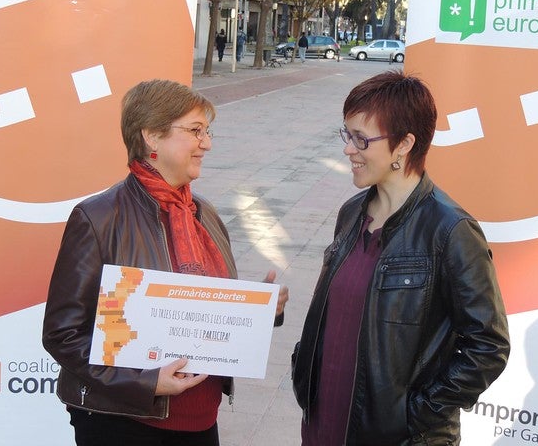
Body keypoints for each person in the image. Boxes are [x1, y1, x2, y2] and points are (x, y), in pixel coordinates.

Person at [42, 79, 288, 446]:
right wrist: (144, 382)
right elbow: (63, 334)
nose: (207, 143)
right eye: (195, 131)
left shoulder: (204, 214)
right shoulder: (98, 218)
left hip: (201, 420)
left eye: (207, 131)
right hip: (124, 424)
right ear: (152, 137)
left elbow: (203, 314)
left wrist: (259, 311)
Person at [291, 71, 510, 446]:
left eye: (361, 139)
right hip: (323, 421)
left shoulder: (450, 230)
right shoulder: (351, 214)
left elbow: (488, 345)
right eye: (347, 135)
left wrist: (417, 414)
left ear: (404, 144)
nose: (348, 149)